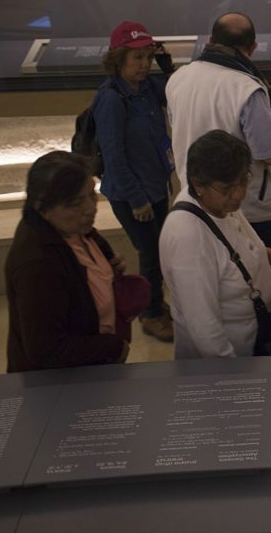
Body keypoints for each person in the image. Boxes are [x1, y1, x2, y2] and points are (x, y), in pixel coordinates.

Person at [159, 130, 271, 359]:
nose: (239, 194)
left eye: (243, 181)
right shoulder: (188, 237)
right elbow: (204, 329)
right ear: (198, 185)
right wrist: (232, 376)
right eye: (227, 189)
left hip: (253, 336)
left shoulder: (217, 201)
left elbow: (226, 244)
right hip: (228, 361)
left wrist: (258, 255)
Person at [166, 12, 271, 247]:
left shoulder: (178, 78)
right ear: (252, 47)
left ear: (210, 41)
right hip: (244, 209)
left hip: (196, 200)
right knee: (253, 276)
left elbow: (175, 125)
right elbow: (270, 153)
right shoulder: (247, 88)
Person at [5, 151, 130, 372]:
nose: (91, 208)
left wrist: (108, 273)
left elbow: (79, 283)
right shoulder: (38, 264)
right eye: (75, 203)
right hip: (59, 387)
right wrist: (112, 347)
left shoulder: (76, 230)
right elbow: (46, 349)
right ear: (42, 208)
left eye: (92, 195)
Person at [93, 21, 175, 342]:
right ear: (118, 60)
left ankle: (156, 302)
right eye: (136, 59)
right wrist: (137, 199)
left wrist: (168, 67)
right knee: (151, 254)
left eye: (148, 57)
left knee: (161, 251)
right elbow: (114, 157)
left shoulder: (148, 87)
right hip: (132, 194)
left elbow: (176, 92)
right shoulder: (112, 99)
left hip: (156, 186)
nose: (144, 65)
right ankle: (151, 313)